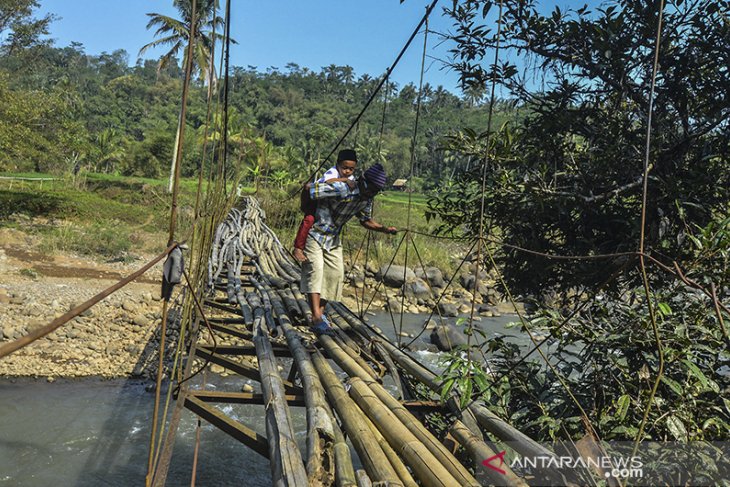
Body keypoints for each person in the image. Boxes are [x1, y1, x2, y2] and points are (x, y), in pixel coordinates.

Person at [301, 161, 397, 335]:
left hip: (333, 238)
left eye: (376, 191)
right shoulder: (341, 188)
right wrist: (307, 211)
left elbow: (365, 220)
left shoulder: (366, 199)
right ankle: (316, 317)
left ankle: (319, 315)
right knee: (315, 271)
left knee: (335, 275)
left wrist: (384, 229)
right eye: (371, 189)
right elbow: (310, 189)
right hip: (316, 233)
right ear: (364, 182)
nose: (372, 194)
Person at [292, 149, 357, 263]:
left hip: (327, 204)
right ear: (338, 165)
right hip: (314, 199)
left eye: (351, 169)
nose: (347, 171)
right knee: (309, 220)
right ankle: (298, 248)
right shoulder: (332, 172)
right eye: (344, 168)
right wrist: (345, 180)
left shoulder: (351, 178)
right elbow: (329, 181)